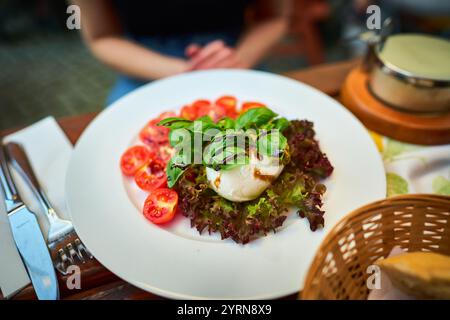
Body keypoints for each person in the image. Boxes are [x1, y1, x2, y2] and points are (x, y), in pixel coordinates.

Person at [72, 0, 291, 105]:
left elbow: (274, 17)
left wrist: (238, 58)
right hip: (144, 64)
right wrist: (185, 71)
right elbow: (101, 37)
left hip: (235, 54)